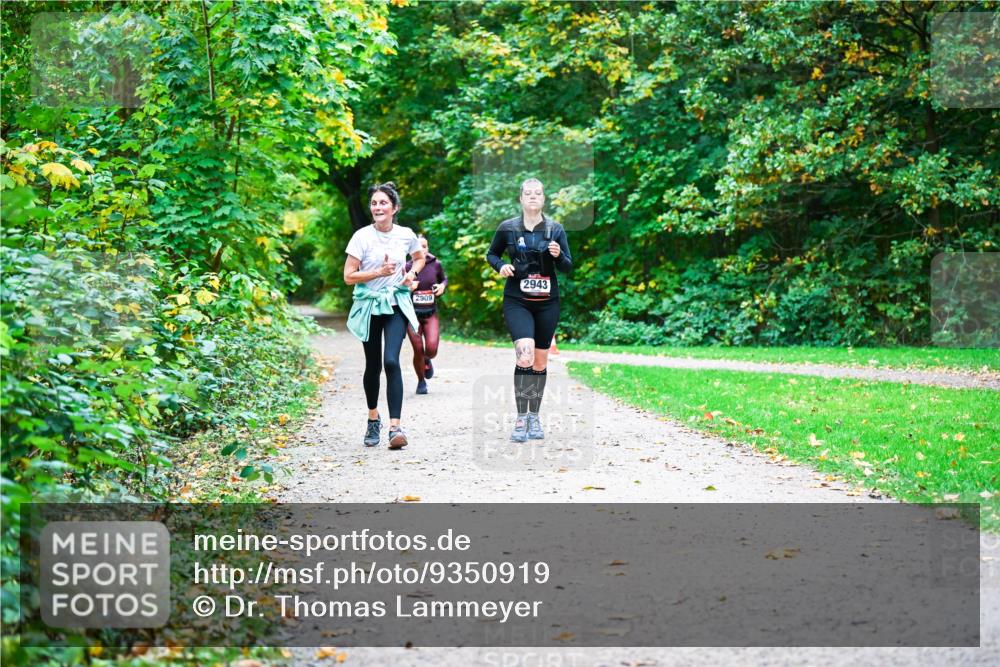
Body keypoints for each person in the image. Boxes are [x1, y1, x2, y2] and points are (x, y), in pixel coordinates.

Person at [485, 178, 572, 442]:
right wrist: (501, 266)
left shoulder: (555, 229)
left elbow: (568, 266)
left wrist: (558, 256)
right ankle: (521, 419)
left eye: (538, 193)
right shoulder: (507, 228)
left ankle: (535, 416)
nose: (533, 197)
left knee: (539, 362)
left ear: (544, 199)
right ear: (521, 199)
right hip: (517, 300)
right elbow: (492, 254)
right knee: (524, 356)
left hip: (547, 303)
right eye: (528, 193)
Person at [344, 182, 425, 449]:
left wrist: (411, 274)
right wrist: (379, 272)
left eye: (383, 203)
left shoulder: (405, 234)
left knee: (391, 360)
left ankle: (395, 427)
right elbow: (348, 276)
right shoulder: (361, 237)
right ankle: (372, 419)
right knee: (373, 365)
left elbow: (419, 257)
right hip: (369, 304)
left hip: (395, 303)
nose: (377, 207)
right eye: (374, 203)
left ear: (394, 208)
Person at [405, 234, 448, 394]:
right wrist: (408, 287)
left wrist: (442, 286)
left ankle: (427, 359)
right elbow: (398, 288)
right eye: (418, 246)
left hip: (430, 312)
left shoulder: (436, 264)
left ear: (428, 247)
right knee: (417, 348)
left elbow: (444, 280)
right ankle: (421, 381)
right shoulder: (407, 266)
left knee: (431, 348)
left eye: (424, 246)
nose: (422, 249)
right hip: (412, 314)